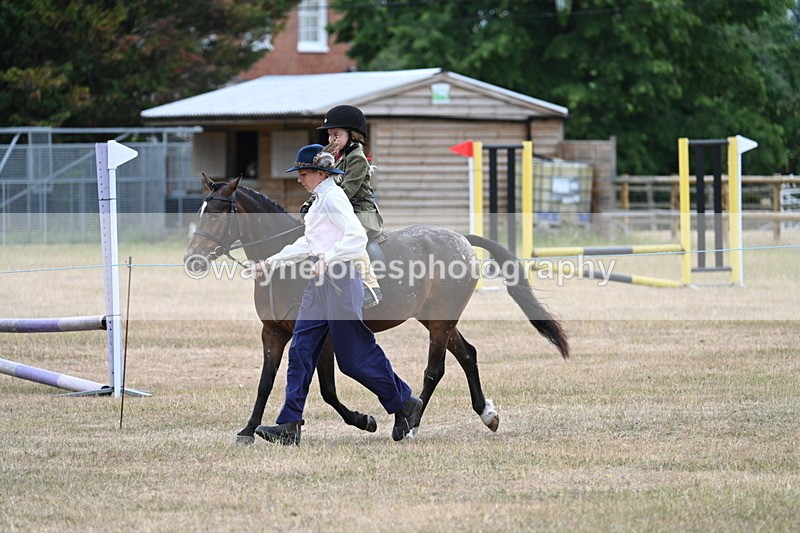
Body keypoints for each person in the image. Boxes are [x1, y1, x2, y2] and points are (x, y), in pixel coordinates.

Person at [250, 143, 423, 446]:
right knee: (301, 350)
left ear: (321, 173)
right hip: (318, 286)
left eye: (303, 173)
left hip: (342, 282)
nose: (299, 179)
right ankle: (290, 426)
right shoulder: (319, 201)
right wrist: (271, 262)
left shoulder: (333, 199)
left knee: (353, 359)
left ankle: (405, 402)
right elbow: (309, 243)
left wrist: (328, 261)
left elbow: (356, 237)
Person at [307, 104, 384, 308]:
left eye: (337, 135)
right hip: (340, 210)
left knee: (351, 237)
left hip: (360, 212)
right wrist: (309, 204)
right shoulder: (333, 159)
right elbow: (321, 186)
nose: (332, 139)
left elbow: (346, 191)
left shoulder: (357, 158)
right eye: (330, 135)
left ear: (353, 135)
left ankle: (371, 286)